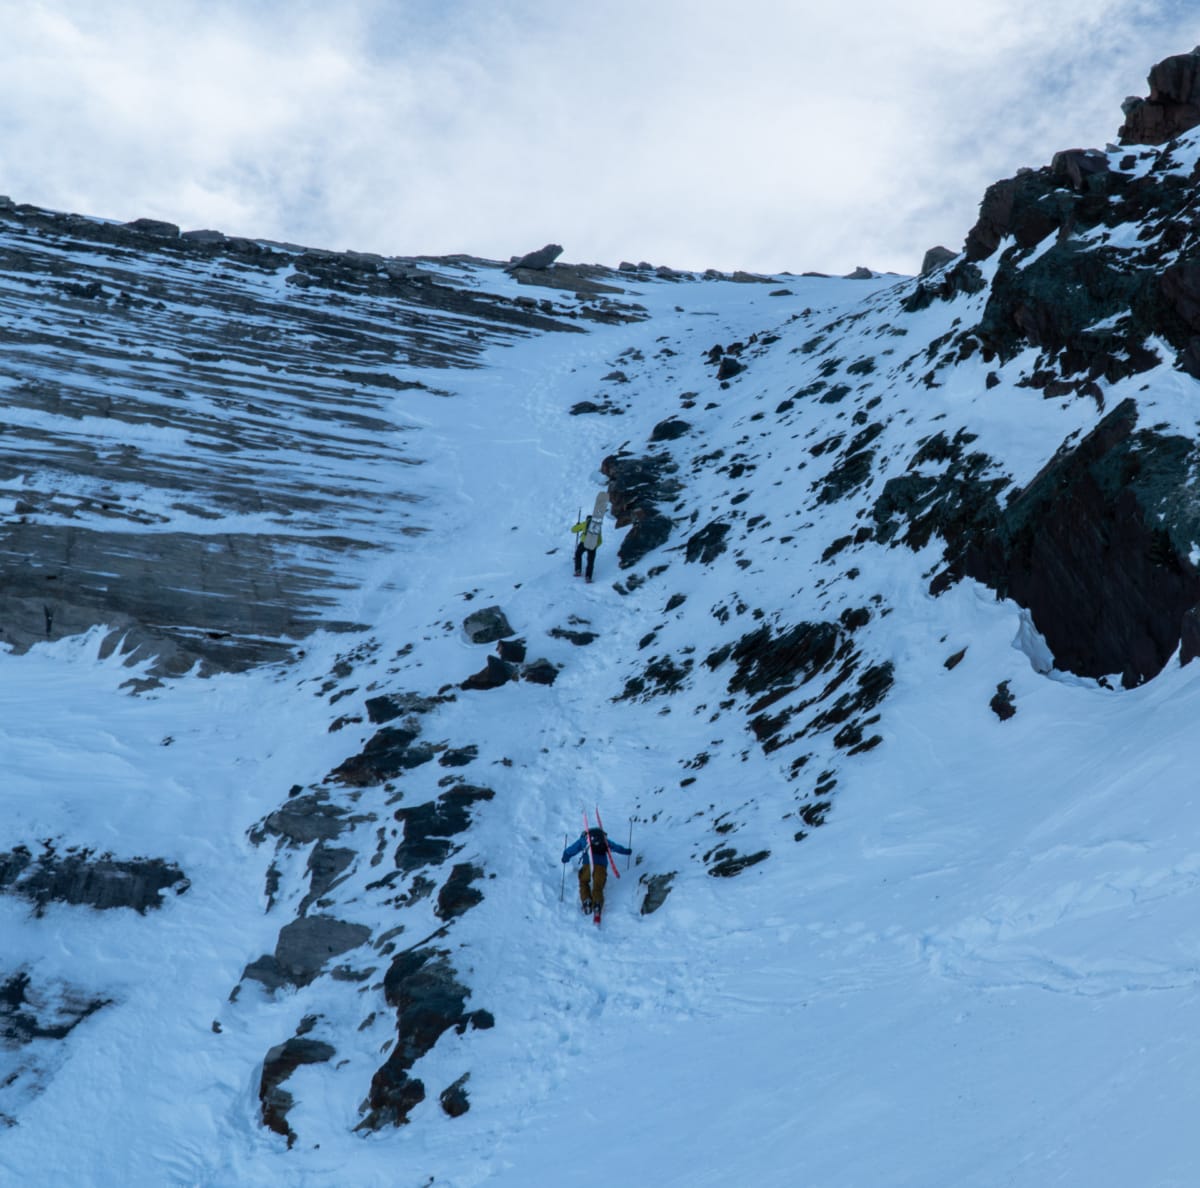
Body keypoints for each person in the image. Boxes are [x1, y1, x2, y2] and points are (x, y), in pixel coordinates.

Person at [562, 827, 631, 914]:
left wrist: (565, 857)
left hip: (588, 865)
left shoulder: (584, 839)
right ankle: (597, 903)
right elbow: (616, 847)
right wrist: (627, 851)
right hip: (601, 867)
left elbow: (571, 850)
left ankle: (586, 900)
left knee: (584, 881)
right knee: (598, 886)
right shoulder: (604, 841)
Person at [571, 513, 603, 582]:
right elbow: (600, 541)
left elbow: (573, 530)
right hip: (593, 544)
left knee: (578, 554)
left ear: (587, 519)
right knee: (590, 561)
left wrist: (577, 525)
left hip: (584, 543)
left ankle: (578, 570)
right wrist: (595, 546)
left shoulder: (585, 523)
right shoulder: (598, 527)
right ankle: (588, 577)